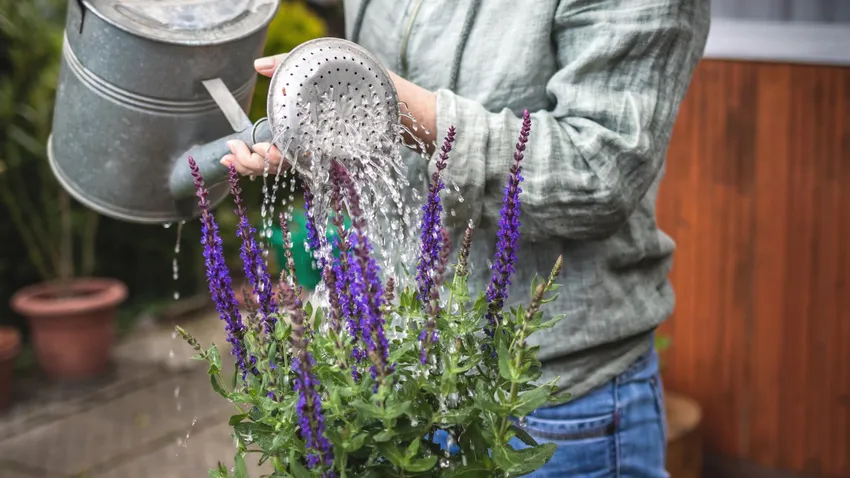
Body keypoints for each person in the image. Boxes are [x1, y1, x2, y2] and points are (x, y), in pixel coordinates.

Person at [223, 1, 710, 476]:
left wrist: (398, 109)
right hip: (398, 383)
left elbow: (599, 172)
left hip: (546, 402)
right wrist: (322, 129)